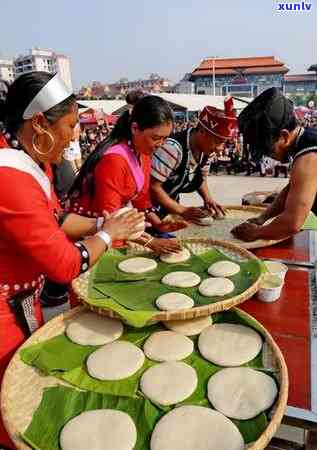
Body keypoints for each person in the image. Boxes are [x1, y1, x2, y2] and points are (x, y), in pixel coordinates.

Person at [0, 71, 144, 448]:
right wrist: (109, 236)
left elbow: (57, 219)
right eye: (70, 124)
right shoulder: (9, 176)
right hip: (2, 311)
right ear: (38, 124)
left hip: (19, 301)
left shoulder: (30, 156)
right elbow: (65, 265)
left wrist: (105, 224)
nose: (77, 135)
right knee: (13, 410)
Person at [68, 95, 181, 254]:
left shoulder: (144, 154)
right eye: (156, 138)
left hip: (117, 227)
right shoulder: (114, 160)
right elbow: (110, 218)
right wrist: (150, 241)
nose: (160, 145)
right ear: (135, 128)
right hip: (91, 232)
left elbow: (142, 200)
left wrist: (159, 224)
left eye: (165, 139)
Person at [231, 87, 317, 242]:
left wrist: (256, 233)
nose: (269, 156)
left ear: (284, 136)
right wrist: (262, 218)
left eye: (268, 150)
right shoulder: (305, 140)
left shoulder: (308, 158)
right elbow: (291, 190)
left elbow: (292, 223)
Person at [150, 104, 238, 223]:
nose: (220, 148)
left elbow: (200, 177)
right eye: (218, 142)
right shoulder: (172, 149)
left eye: (224, 143)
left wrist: (208, 199)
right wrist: (182, 210)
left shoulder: (207, 151)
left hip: (170, 205)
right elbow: (153, 187)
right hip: (149, 210)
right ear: (202, 132)